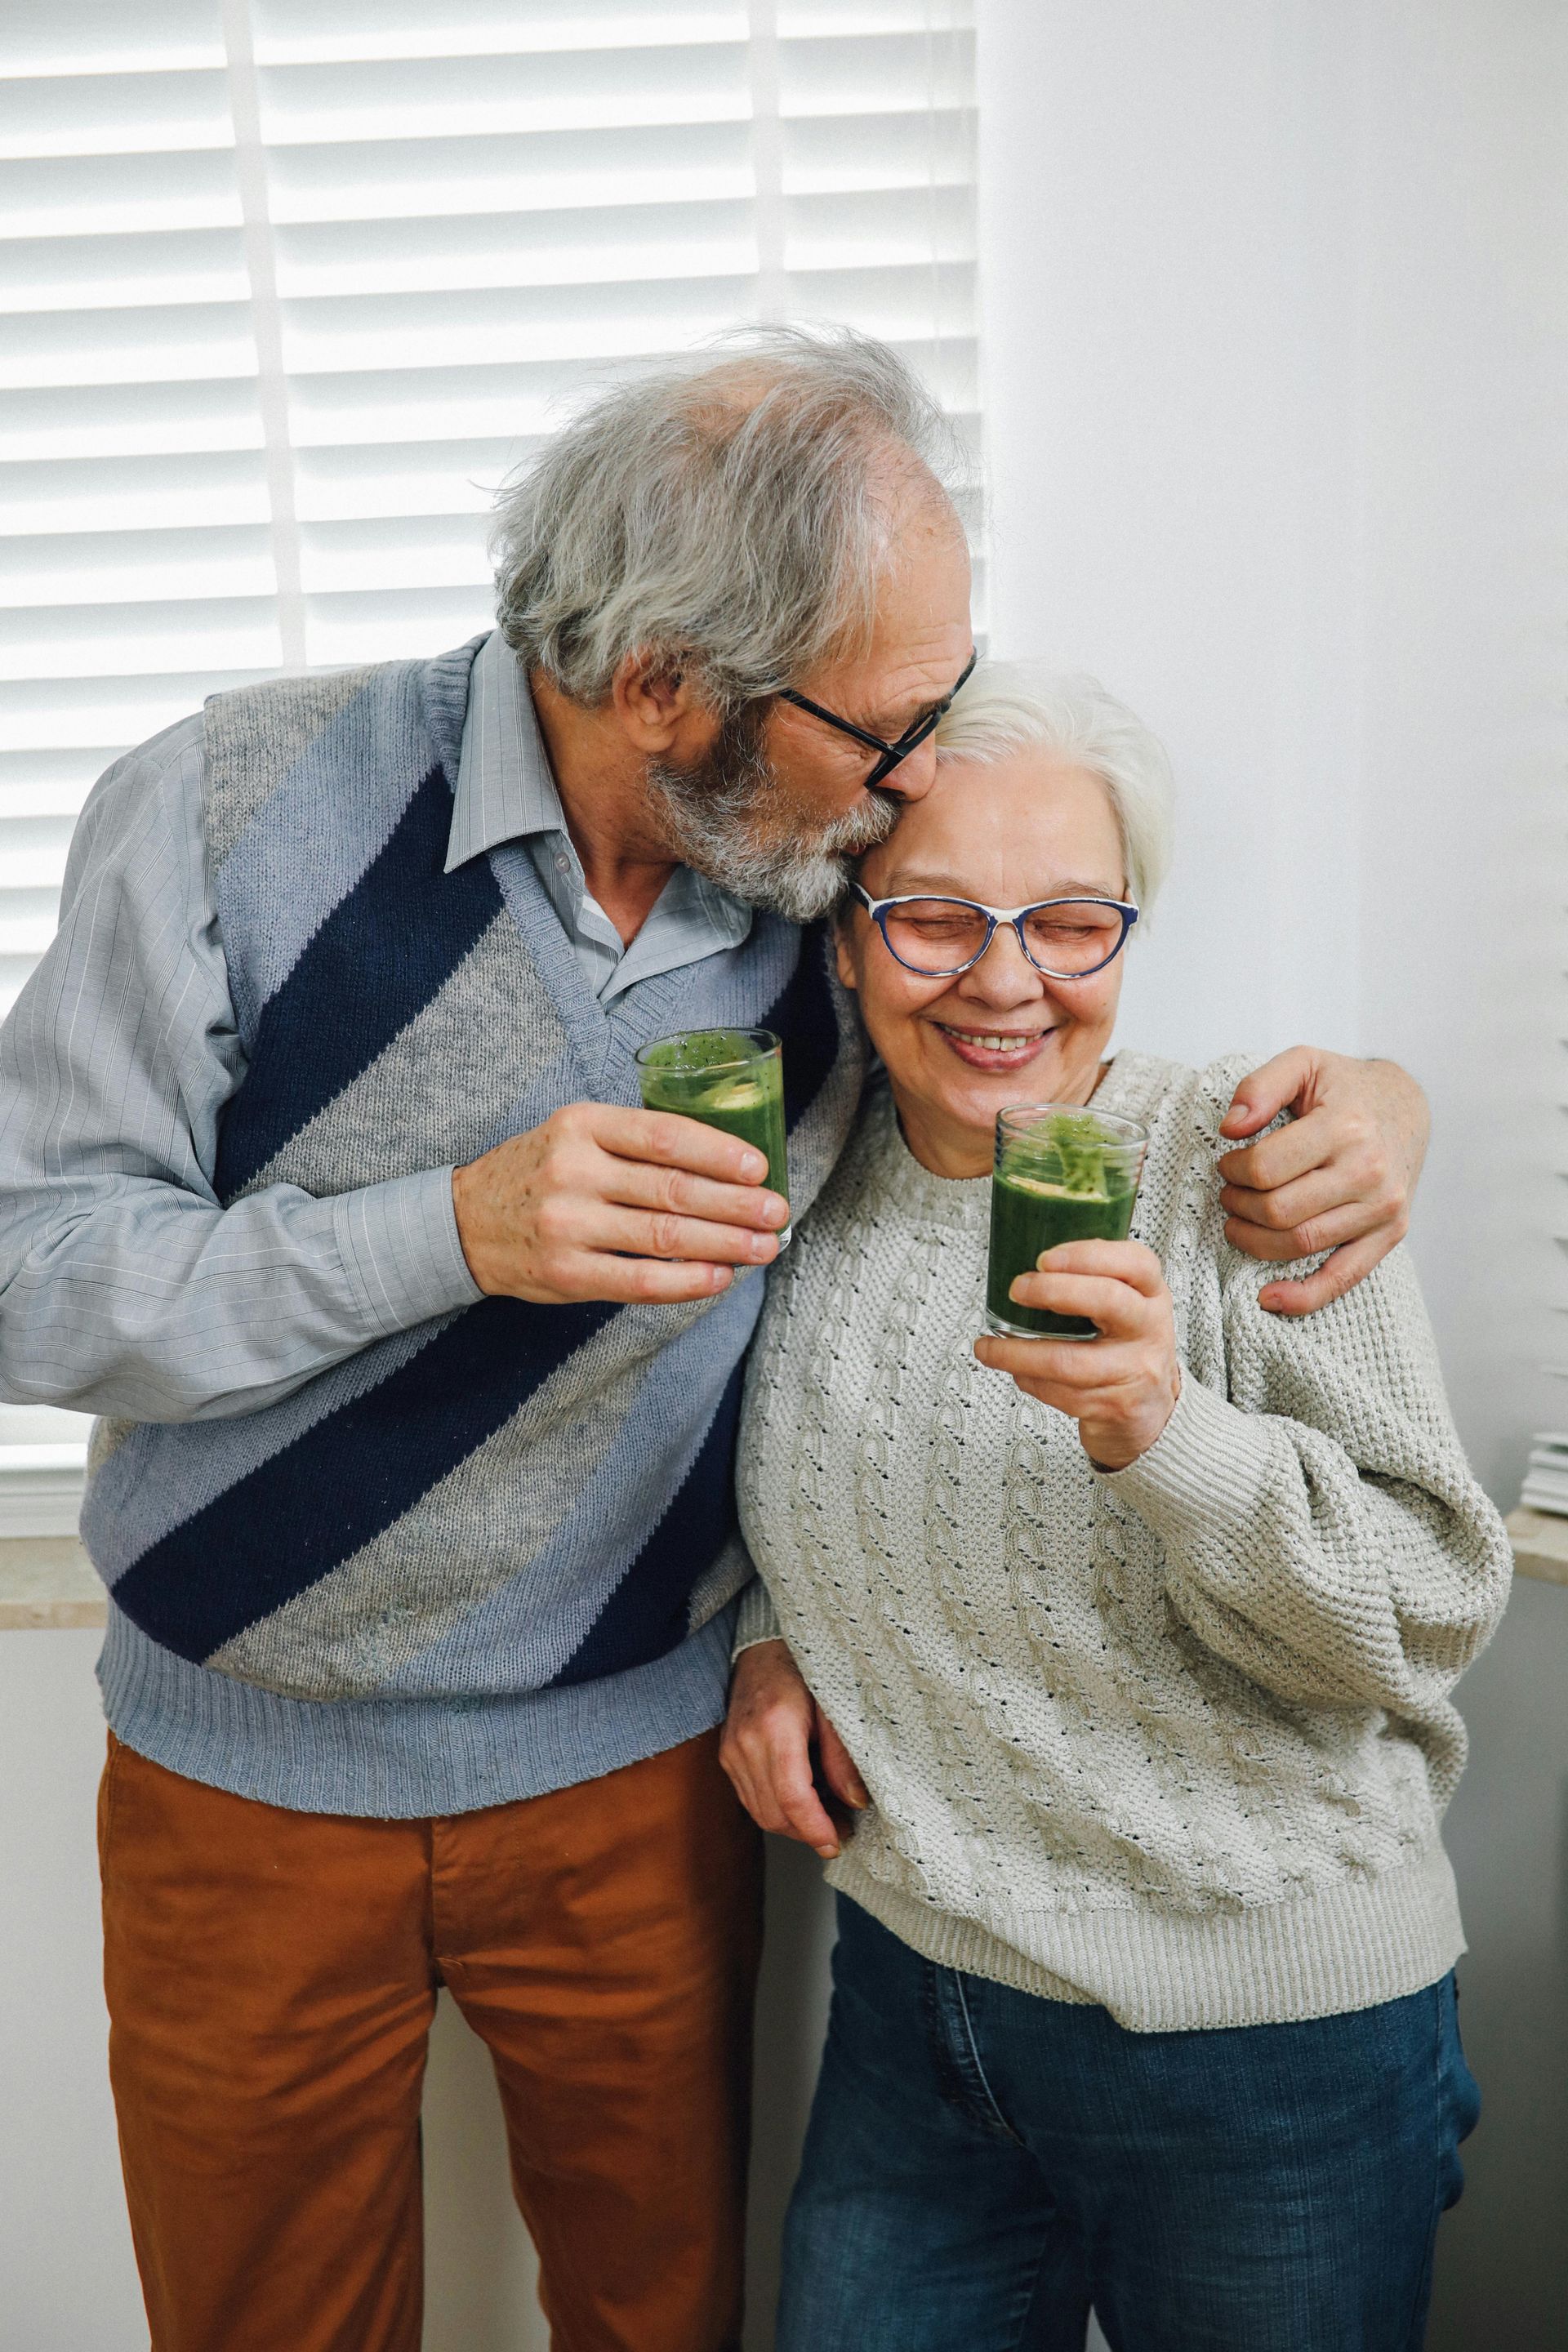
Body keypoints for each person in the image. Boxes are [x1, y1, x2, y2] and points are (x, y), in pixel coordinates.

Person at [0, 333, 1429, 2352]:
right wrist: (455, 1234)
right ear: (667, 686)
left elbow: (1016, 1073)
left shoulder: (834, 883)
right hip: (240, 1778)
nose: (922, 765)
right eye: (888, 717)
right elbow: (30, 1270)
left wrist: (1380, 1101)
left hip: (634, 1774)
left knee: (661, 2317)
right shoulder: (228, 805)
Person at [722, 662, 1510, 2352]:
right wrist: (777, 1638)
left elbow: (1429, 1608)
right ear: (848, 931)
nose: (1006, 979)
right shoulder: (803, 1166)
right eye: (935, 917)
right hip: (917, 2012)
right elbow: (803, 1473)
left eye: (1073, 922)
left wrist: (1169, 1431)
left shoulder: (1255, 1166)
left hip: (1266, 2050)